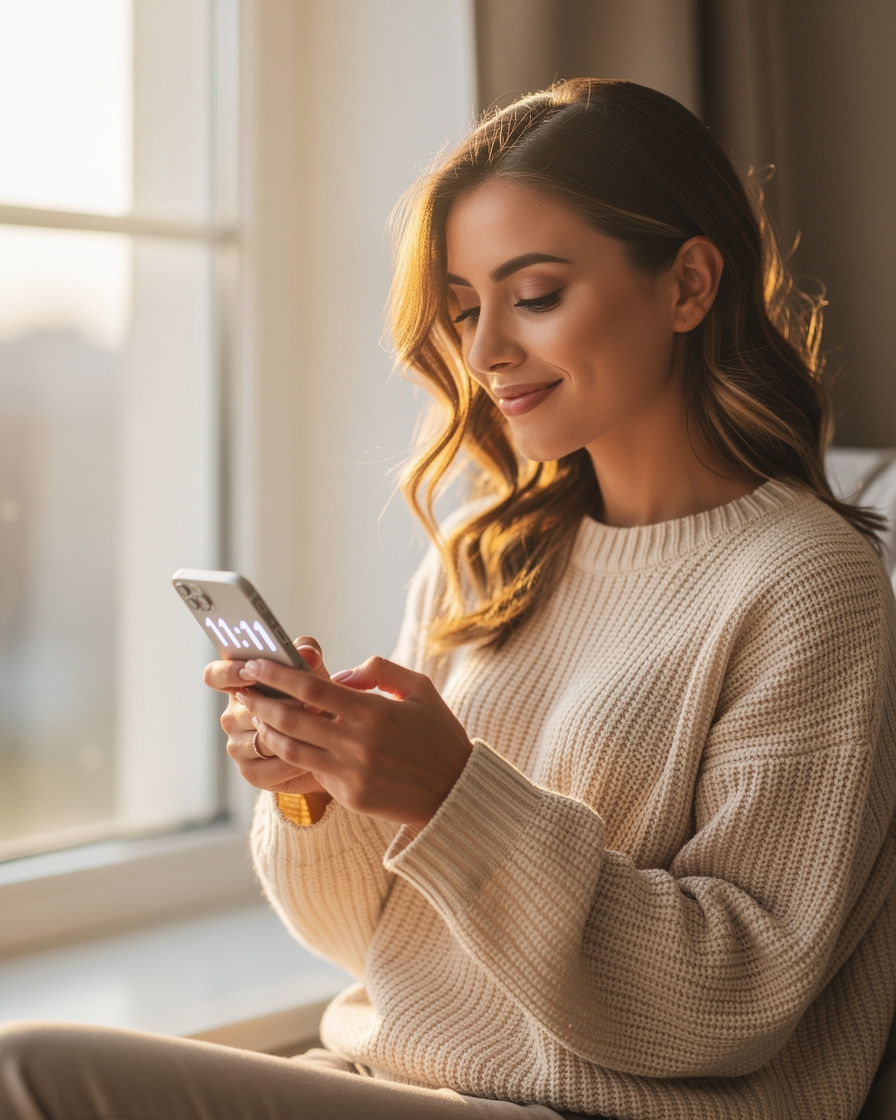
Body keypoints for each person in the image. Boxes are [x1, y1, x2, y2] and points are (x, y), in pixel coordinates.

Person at [1, 77, 895, 1120]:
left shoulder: (805, 584)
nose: (483, 354)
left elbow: (729, 995)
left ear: (688, 284)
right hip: (400, 1079)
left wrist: (448, 795)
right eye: (466, 308)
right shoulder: (487, 560)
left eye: (537, 294)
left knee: (29, 1078)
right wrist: (318, 785)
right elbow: (374, 942)